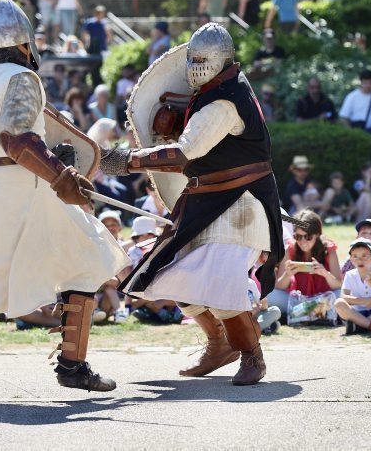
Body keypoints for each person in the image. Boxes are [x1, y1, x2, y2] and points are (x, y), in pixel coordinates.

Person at [0, 0, 127, 404]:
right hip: (21, 191)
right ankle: (72, 366)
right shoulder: (20, 77)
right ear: (25, 44)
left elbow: (2, 137)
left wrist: (51, 156)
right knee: (88, 257)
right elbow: (18, 140)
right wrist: (61, 174)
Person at [102, 22, 283, 386]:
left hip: (240, 203)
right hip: (210, 199)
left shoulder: (224, 101)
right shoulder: (218, 88)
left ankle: (252, 355)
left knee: (220, 281)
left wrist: (127, 161)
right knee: (172, 272)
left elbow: (184, 153)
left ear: (221, 60)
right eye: (193, 59)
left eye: (203, 60)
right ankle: (219, 343)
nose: (196, 67)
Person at [271, 210, 342, 319]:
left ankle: (301, 314)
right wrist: (288, 274)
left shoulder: (328, 249)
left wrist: (325, 274)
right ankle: (315, 314)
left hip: (323, 299)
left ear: (317, 234)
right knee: (271, 296)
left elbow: (338, 285)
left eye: (308, 237)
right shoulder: (290, 249)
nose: (302, 242)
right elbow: (280, 286)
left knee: (341, 295)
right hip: (298, 301)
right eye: (298, 236)